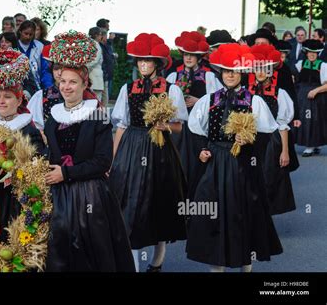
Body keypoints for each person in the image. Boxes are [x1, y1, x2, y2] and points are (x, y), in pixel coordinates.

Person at [187, 43, 283, 272]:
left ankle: (245, 264)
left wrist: (250, 142)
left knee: (243, 214)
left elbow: (268, 134)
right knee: (214, 216)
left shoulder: (254, 101)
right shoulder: (209, 101)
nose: (230, 75)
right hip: (215, 166)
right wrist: (201, 150)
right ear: (220, 73)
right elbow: (195, 130)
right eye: (227, 71)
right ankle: (216, 265)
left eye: (235, 71)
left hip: (243, 166)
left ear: (242, 73)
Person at [44, 30, 134, 272]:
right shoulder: (52, 115)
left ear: (85, 83)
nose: (66, 87)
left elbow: (103, 162)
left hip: (90, 196)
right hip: (58, 196)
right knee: (59, 255)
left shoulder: (97, 113)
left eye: (73, 82)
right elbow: (49, 155)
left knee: (92, 256)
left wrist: (67, 173)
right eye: (62, 81)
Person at [110, 33, 188, 272]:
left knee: (159, 205)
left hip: (160, 152)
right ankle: (133, 265)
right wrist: (113, 160)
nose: (143, 65)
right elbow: (121, 125)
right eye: (140, 61)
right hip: (131, 149)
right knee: (129, 208)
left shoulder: (171, 89)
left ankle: (156, 263)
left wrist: (165, 126)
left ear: (157, 64)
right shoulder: (127, 88)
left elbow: (179, 125)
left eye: (148, 61)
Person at [0, 48, 45, 239]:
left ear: (19, 101)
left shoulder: (28, 130)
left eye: (8, 97)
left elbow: (37, 165)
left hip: (14, 196)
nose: (1, 101)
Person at [166, 31, 223, 200]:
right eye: (186, 55)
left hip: (199, 125)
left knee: (197, 161)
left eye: (193, 55)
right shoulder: (173, 75)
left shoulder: (209, 75)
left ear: (199, 57)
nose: (189, 58)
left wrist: (199, 101)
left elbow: (219, 100)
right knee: (178, 160)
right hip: (178, 126)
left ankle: (198, 197)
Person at [248, 44, 297, 215]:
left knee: (268, 179)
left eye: (264, 69)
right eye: (258, 68)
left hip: (271, 143)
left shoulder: (279, 93)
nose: (261, 72)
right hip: (249, 141)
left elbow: (283, 125)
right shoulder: (246, 92)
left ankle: (265, 220)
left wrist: (285, 151)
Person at [293, 39, 327, 156]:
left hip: (317, 98)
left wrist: (316, 91)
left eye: (314, 53)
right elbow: (293, 77)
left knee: (314, 121)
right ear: (306, 53)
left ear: (318, 54)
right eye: (309, 52)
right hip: (301, 97)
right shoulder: (300, 64)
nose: (312, 55)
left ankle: (310, 146)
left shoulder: (323, 66)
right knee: (303, 119)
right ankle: (314, 144)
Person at [16, 20, 53, 98]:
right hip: (17, 86)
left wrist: (48, 88)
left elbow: (45, 69)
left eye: (31, 34)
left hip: (37, 86)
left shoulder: (39, 46)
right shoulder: (13, 46)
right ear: (20, 32)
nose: (28, 37)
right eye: (26, 33)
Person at [87, 27, 104, 102]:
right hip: (94, 77)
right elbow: (94, 61)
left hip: (91, 76)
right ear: (96, 35)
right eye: (100, 34)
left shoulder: (88, 44)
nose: (101, 37)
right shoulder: (96, 45)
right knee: (96, 101)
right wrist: (85, 69)